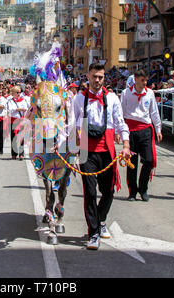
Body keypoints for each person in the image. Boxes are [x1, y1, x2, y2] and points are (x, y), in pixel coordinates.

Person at [73, 63, 131, 250]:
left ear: (104, 78)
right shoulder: (79, 98)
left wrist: (126, 144)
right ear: (88, 77)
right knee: (90, 193)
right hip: (86, 150)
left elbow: (120, 122)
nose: (97, 80)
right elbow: (73, 124)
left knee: (108, 191)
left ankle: (101, 219)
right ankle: (94, 232)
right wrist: (64, 144)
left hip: (107, 149)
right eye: (94, 76)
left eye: (100, 77)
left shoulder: (113, 98)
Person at [121, 70, 162, 202]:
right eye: (142, 80)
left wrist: (158, 129)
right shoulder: (126, 93)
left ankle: (143, 188)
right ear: (136, 80)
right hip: (130, 130)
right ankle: (132, 191)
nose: (145, 83)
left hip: (145, 130)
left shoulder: (150, 93)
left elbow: (154, 112)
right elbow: (121, 113)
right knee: (131, 163)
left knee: (149, 161)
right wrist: (119, 132)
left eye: (146, 80)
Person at [7, 85, 29, 160]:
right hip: (13, 120)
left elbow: (25, 109)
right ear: (13, 93)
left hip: (21, 120)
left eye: (19, 92)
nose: (19, 94)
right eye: (17, 92)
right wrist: (19, 109)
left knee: (21, 138)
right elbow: (10, 109)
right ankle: (14, 153)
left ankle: (21, 153)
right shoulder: (10, 101)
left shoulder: (23, 100)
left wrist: (18, 109)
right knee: (14, 138)